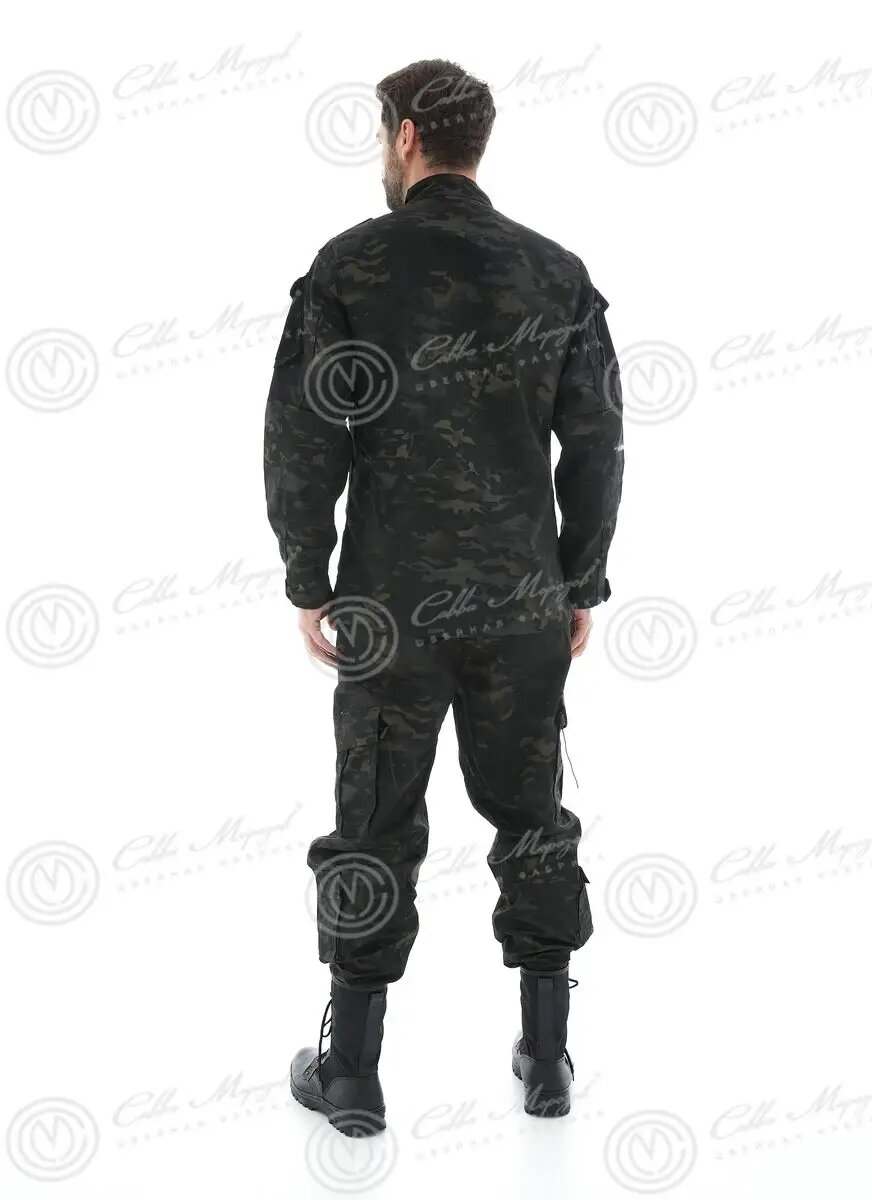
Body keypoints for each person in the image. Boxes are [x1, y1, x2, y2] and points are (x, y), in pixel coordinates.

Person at [263, 58, 624, 1137]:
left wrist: (309, 577)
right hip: (521, 604)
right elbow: (597, 442)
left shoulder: (351, 266)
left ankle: (353, 1074)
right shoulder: (555, 273)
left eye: (383, 132)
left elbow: (302, 434)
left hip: (392, 607)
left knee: (373, 820)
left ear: (409, 135)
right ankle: (548, 1059)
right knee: (533, 819)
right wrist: (579, 579)